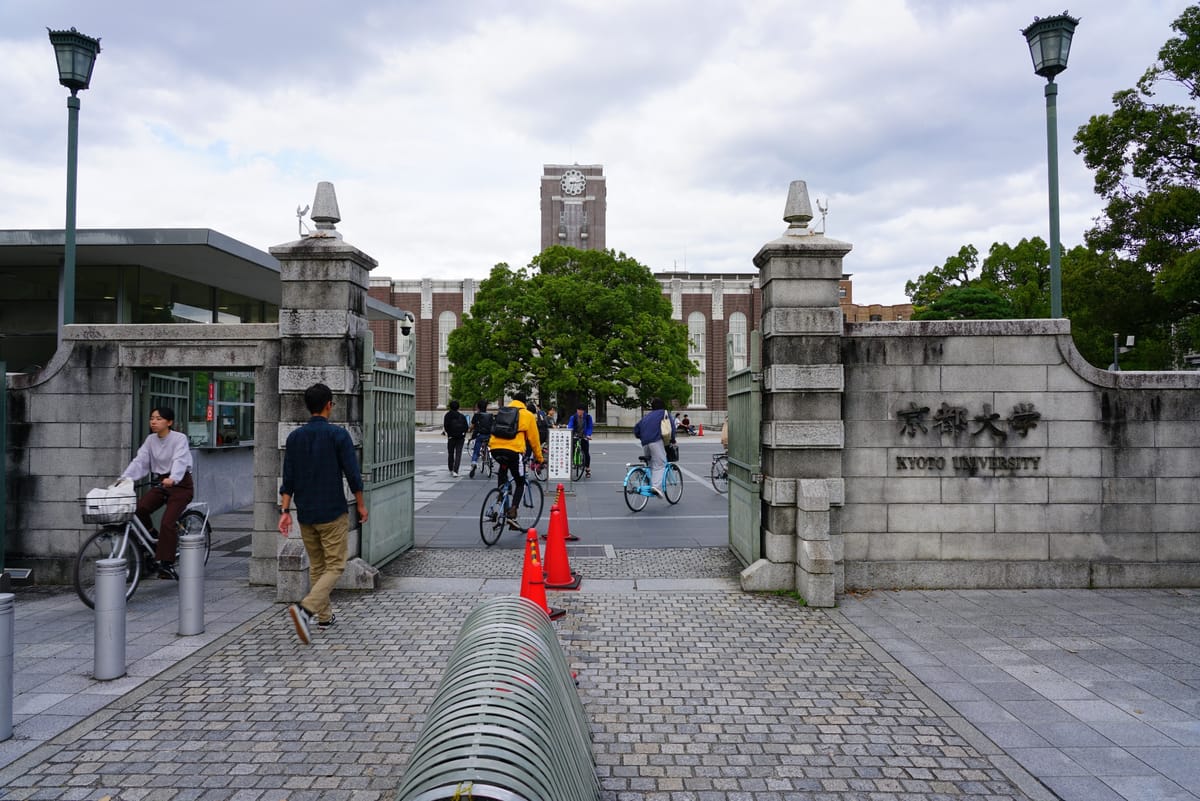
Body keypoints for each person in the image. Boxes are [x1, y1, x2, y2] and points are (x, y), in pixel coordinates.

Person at [278, 383, 368, 645]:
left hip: (305, 512)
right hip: (332, 511)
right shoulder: (338, 436)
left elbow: (289, 478)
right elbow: (353, 475)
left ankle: (325, 617)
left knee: (318, 566)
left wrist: (285, 511)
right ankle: (306, 611)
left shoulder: (294, 438)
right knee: (336, 565)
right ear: (330, 404)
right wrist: (361, 505)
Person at [119, 406, 194, 579]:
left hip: (181, 484)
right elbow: (140, 461)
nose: (153, 421)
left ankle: (167, 564)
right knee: (140, 509)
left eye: (159, 418)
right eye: (152, 418)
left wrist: (174, 477)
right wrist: (124, 478)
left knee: (168, 522)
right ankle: (153, 537)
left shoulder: (179, 438)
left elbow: (180, 459)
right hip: (162, 482)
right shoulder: (151, 440)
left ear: (169, 422)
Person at [489, 391, 543, 530]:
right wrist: (540, 459)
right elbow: (535, 440)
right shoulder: (527, 415)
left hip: (495, 449)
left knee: (503, 471)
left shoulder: (503, 411)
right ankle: (512, 512)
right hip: (514, 451)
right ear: (524, 402)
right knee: (520, 482)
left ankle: (500, 498)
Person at [633, 398, 675, 498]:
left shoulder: (647, 416)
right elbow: (671, 427)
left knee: (651, 464)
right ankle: (656, 487)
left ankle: (646, 482)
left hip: (645, 442)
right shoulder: (664, 413)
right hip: (655, 441)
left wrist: (642, 437)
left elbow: (636, 429)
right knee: (660, 464)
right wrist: (673, 439)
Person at [442, 399, 469, 476]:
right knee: (458, 454)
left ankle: (451, 468)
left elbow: (446, 426)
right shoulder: (462, 416)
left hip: (451, 437)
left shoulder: (447, 415)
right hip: (460, 437)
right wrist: (463, 434)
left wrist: (449, 434)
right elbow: (466, 427)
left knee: (451, 453)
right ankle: (456, 471)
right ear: (458, 407)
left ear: (450, 407)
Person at [566, 403, 593, 477]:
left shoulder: (588, 417)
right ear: (577, 410)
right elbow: (570, 425)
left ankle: (587, 469)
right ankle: (573, 463)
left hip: (584, 436)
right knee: (572, 450)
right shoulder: (573, 417)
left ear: (584, 411)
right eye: (578, 410)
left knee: (586, 452)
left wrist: (588, 435)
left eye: (581, 410)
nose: (580, 412)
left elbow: (590, 427)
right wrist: (569, 431)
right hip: (575, 435)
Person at [467, 399, 492, 478]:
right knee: (488, 446)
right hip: (489, 435)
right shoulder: (490, 415)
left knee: (476, 450)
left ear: (478, 407)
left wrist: (469, 431)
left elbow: (472, 426)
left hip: (479, 435)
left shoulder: (476, 415)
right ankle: (489, 458)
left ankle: (474, 462)